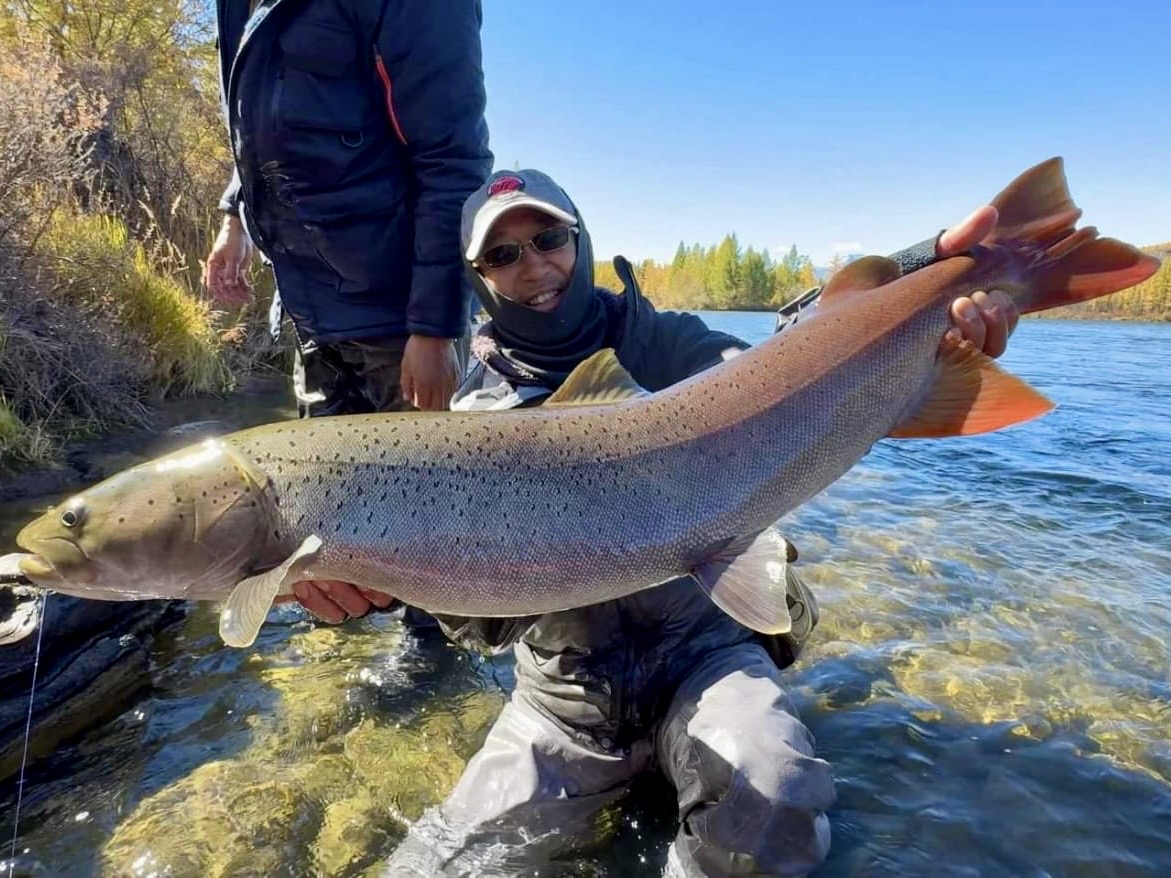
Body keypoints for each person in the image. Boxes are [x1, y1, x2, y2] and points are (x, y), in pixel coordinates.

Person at [356, 168, 1019, 877]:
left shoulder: (667, 343)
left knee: (776, 796)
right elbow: (482, 629)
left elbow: (793, 366)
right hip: (566, 702)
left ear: (579, 240)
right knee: (434, 868)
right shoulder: (461, 419)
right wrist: (384, 572)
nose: (533, 267)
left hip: (704, 658)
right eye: (502, 255)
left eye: (548, 239)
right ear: (477, 278)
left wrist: (926, 288)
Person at [202, 0, 493, 422]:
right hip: (311, 319)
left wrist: (435, 328)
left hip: (402, 321)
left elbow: (453, 161)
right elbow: (259, 121)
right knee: (326, 488)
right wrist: (235, 215)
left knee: (426, 485)